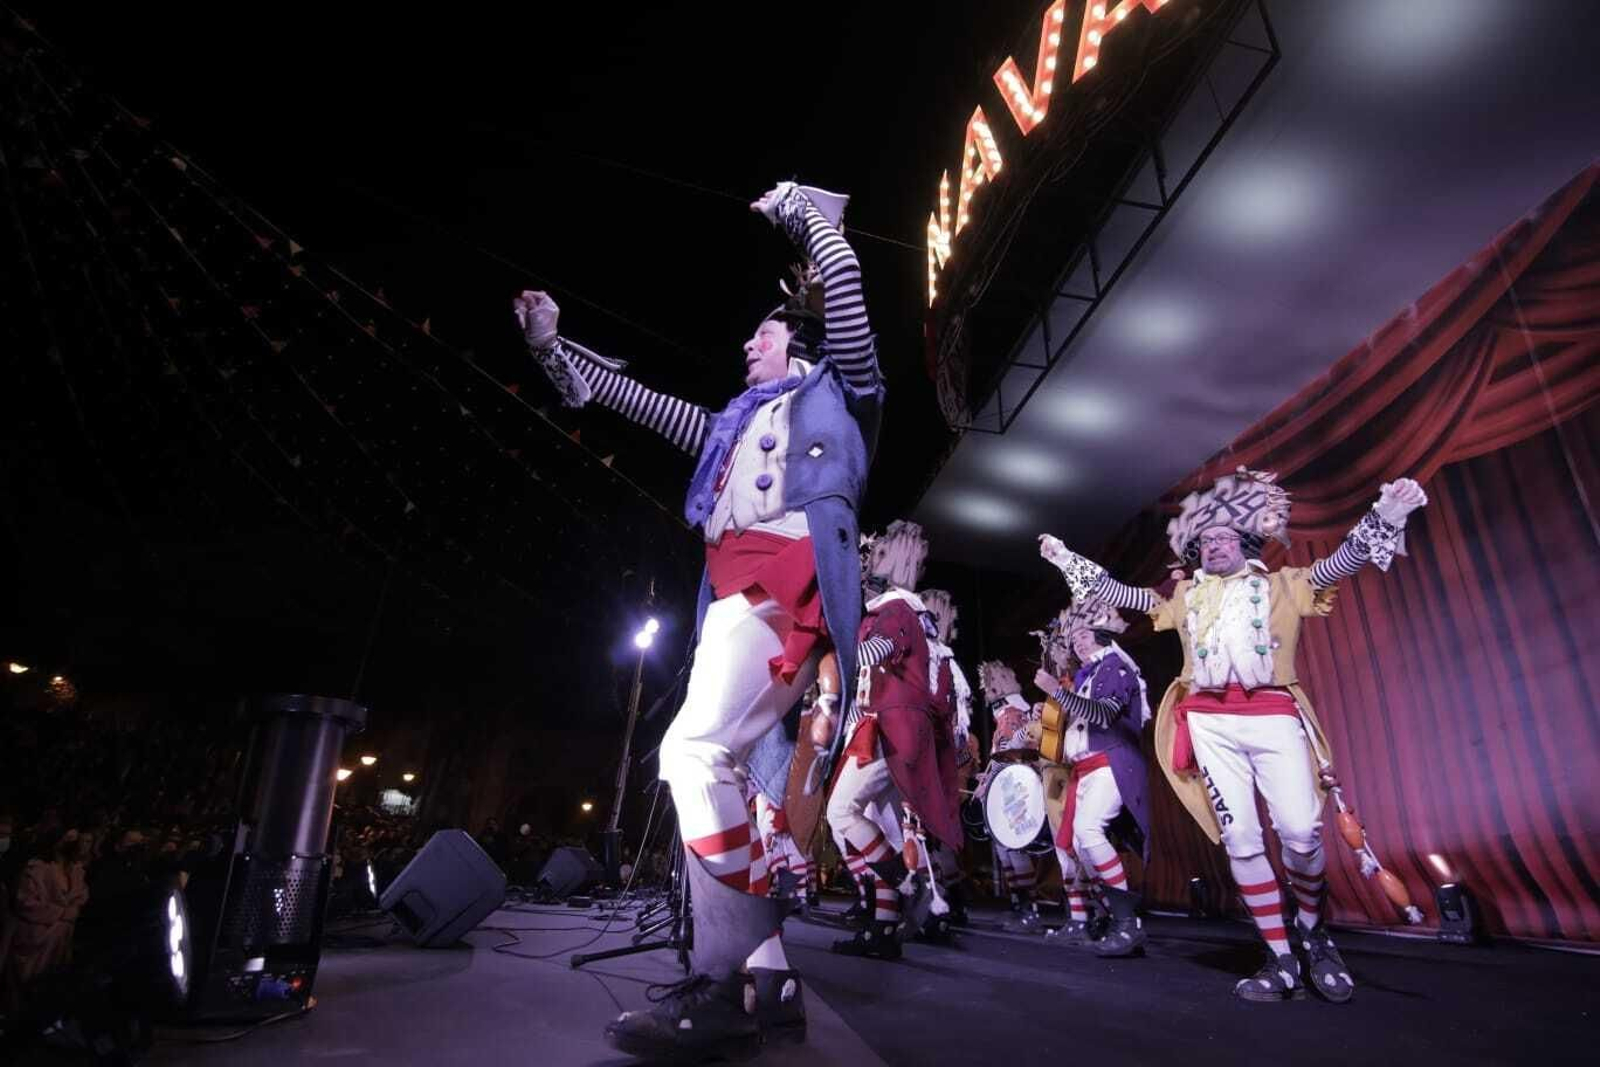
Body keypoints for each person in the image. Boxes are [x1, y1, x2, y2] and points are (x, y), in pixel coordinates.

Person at [518, 180, 881, 1060]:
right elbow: (631, 398)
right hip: (730, 599)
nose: (746, 344)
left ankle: (720, 985)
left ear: (798, 339)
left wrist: (804, 216)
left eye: (762, 333)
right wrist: (551, 347)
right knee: (714, 768)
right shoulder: (729, 424)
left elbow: (846, 294)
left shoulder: (845, 390)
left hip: (782, 588)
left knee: (691, 752)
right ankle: (771, 978)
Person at [1040, 467, 1428, 1002]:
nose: (1214, 545)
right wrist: (1066, 560)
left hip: (1273, 716)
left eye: (1224, 538)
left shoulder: (1283, 585)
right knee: (1242, 840)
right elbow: (1124, 593)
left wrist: (1386, 514)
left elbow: (1343, 561)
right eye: (1206, 542)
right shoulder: (1185, 598)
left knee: (1301, 832)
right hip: (1209, 724)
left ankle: (1313, 933)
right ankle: (1280, 956)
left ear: (1245, 544)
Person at [1031, 597, 1152, 957]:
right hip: (1086, 769)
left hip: (1111, 761)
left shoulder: (1115, 667)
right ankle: (1108, 916)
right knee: (1080, 847)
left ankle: (1127, 924)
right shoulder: (1088, 675)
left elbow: (1103, 715)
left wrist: (1056, 692)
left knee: (1088, 831)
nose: (1078, 643)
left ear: (1102, 632)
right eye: (1074, 639)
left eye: (1084, 635)